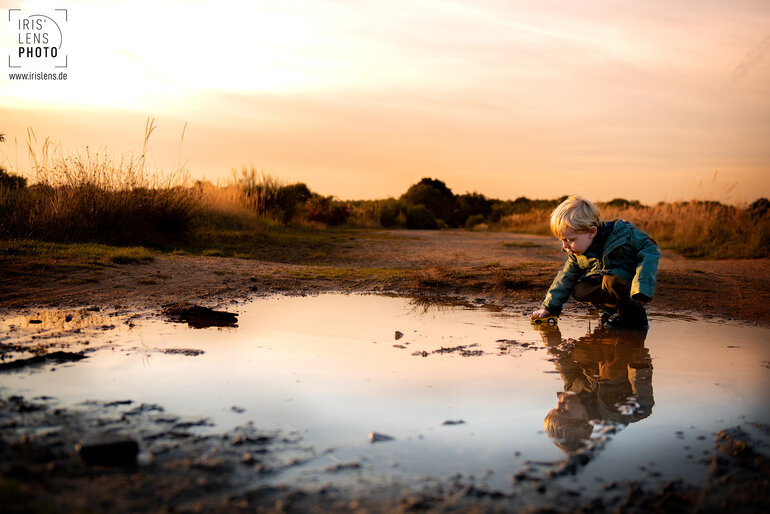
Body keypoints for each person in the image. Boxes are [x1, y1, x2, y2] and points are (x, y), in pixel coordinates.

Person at [531, 195, 659, 330]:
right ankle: (614, 312)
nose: (564, 246)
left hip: (631, 287)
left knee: (610, 280)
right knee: (580, 290)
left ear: (591, 232)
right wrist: (549, 307)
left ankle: (634, 316)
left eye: (569, 240)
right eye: (562, 240)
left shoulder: (625, 235)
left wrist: (642, 286)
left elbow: (649, 249)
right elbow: (564, 278)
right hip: (609, 284)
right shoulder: (578, 254)